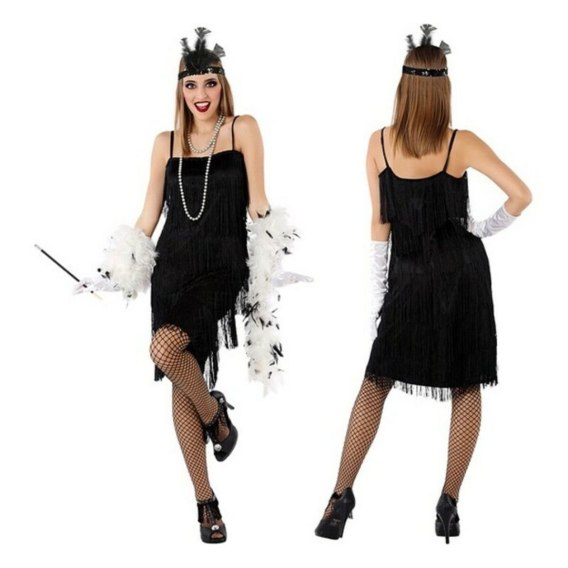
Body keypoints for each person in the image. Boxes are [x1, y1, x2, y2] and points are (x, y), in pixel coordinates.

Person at [76, 27, 306, 544]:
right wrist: (110, 274)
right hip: (172, 271)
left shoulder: (243, 129)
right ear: (179, 89)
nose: (201, 95)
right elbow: (148, 217)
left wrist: (272, 263)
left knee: (164, 349)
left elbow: (259, 204)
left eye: (209, 84)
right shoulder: (165, 143)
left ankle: (217, 420)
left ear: (222, 85)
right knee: (183, 375)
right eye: (190, 85)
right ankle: (207, 498)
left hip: (222, 267)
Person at [314, 24, 532, 544]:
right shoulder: (461, 143)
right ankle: (448, 504)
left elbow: (379, 224)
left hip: (408, 277)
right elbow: (522, 196)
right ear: (444, 88)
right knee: (466, 385)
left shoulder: (379, 144)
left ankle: (338, 500)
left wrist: (378, 296)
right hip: (462, 275)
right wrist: (478, 229)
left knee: (376, 383)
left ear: (403, 87)